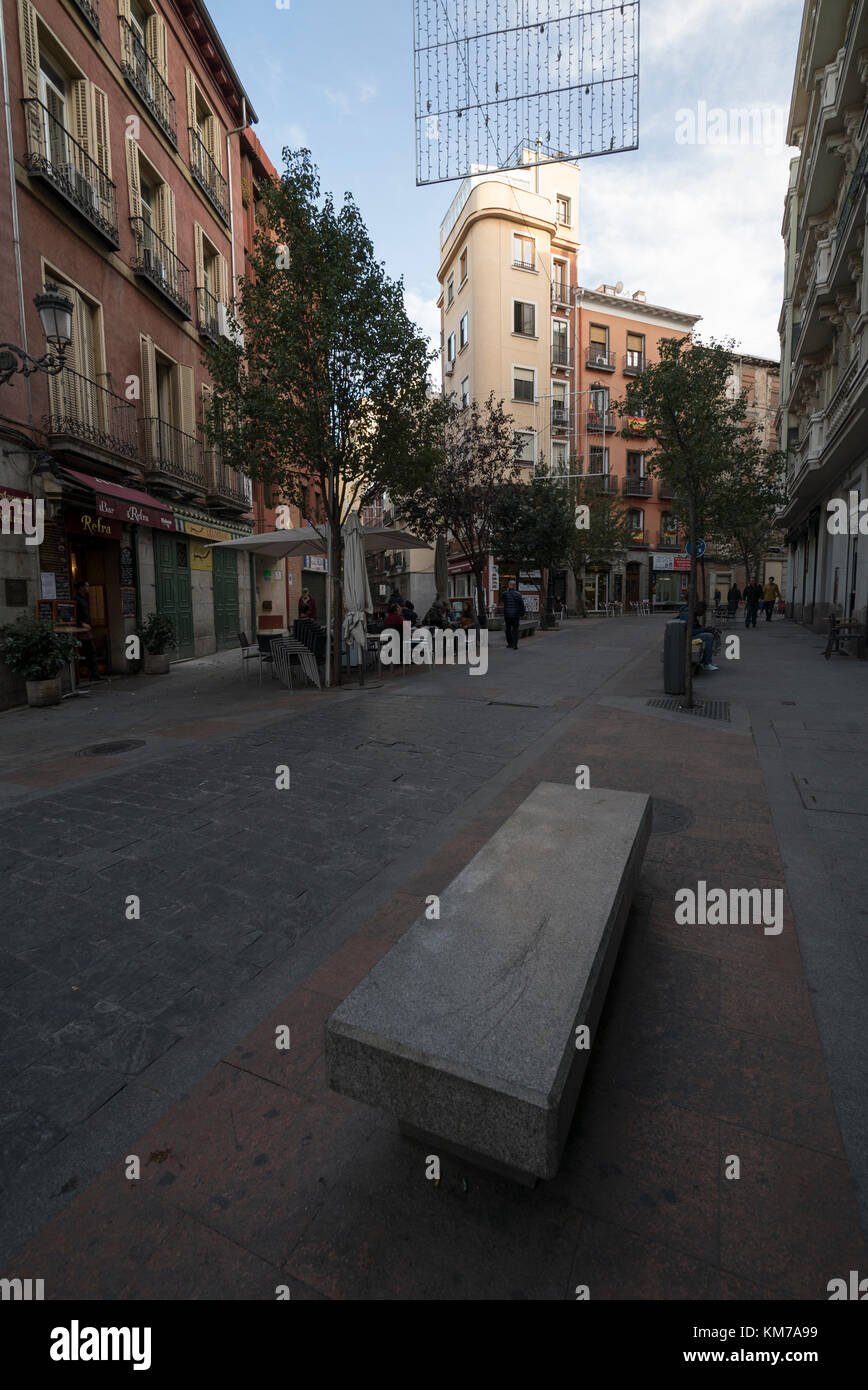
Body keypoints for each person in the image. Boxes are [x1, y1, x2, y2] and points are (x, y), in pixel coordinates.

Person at [677, 599, 718, 671]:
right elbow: (690, 632)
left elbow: (695, 627)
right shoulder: (689, 615)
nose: (703, 613)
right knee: (709, 637)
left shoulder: (693, 613)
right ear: (699, 608)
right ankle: (706, 663)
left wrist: (705, 629)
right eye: (703, 611)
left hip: (686, 636)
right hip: (686, 638)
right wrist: (704, 630)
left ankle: (706, 661)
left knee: (709, 635)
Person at [74, 579, 101, 681]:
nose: (88, 588)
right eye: (86, 586)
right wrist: (82, 624)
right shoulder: (77, 599)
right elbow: (74, 614)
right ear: (81, 587)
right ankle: (92, 675)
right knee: (89, 651)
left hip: (86, 629)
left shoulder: (83, 599)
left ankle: (94, 674)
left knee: (91, 651)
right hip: (81, 630)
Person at [502, 580, 525, 650]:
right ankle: (515, 644)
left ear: (509, 585)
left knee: (508, 629)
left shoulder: (504, 594)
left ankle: (510, 643)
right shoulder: (518, 594)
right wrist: (522, 613)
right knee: (515, 630)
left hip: (507, 614)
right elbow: (521, 604)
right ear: (515, 586)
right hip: (516, 615)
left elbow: (503, 601)